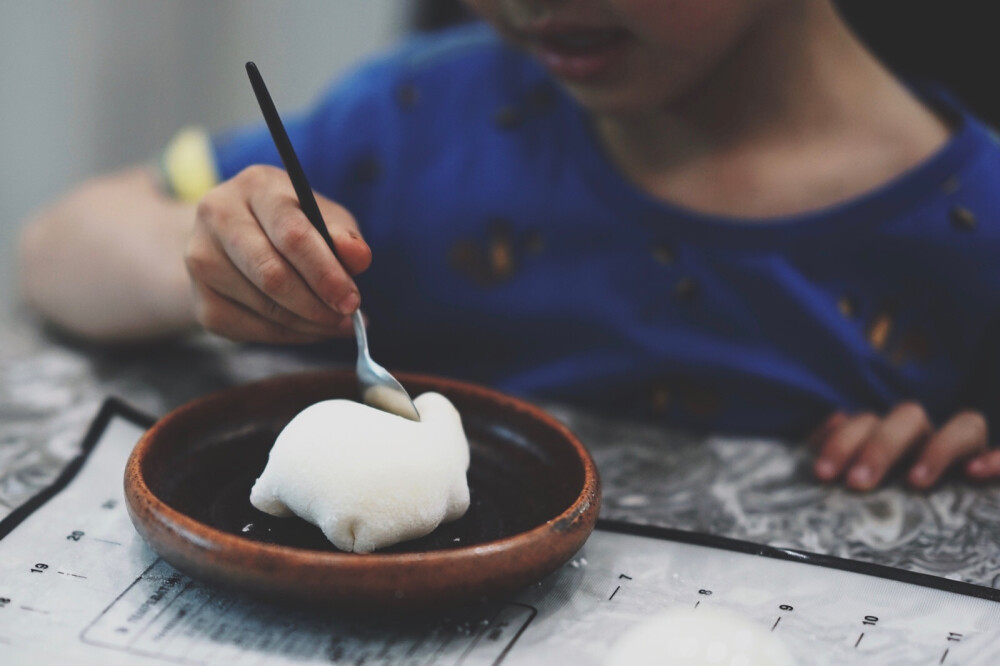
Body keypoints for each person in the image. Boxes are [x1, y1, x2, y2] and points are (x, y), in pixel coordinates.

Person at [17, 0, 1000, 492]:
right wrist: (206, 261)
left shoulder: (971, 231)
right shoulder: (413, 115)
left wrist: (942, 478)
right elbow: (58, 243)